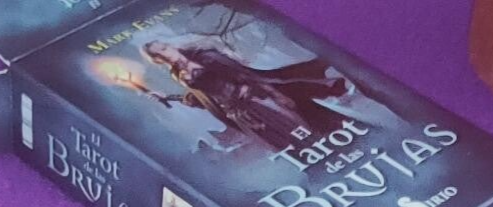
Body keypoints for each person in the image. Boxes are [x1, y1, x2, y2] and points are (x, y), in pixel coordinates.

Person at [141, 40, 352, 151]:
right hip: (240, 114)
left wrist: (275, 94)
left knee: (302, 129)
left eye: (164, 48)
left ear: (169, 45)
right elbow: (203, 97)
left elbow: (243, 75)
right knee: (285, 143)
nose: (165, 54)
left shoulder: (205, 57)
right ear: (157, 59)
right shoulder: (178, 74)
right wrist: (169, 97)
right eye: (159, 54)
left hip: (256, 99)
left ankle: (341, 148)